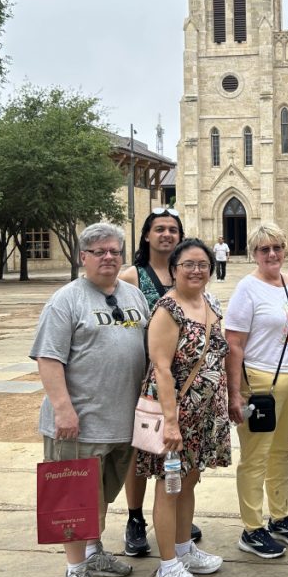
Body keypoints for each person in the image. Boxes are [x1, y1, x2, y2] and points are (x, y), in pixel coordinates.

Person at [31, 223, 148, 577]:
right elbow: (49, 359)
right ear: (83, 257)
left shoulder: (134, 296)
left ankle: (94, 550)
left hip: (121, 423)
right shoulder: (66, 300)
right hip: (77, 425)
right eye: (99, 251)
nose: (108, 257)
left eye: (114, 250)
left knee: (100, 496)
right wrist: (63, 409)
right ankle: (75, 573)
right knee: (72, 501)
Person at [136, 238, 231, 577]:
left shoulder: (209, 303)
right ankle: (167, 570)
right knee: (167, 484)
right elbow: (160, 368)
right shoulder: (167, 308)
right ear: (174, 270)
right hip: (175, 414)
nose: (196, 270)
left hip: (204, 414)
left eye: (202, 264)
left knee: (188, 481)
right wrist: (171, 422)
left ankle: (183, 548)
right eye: (188, 264)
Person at [225, 223, 288, 558]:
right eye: (264, 249)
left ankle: (279, 517)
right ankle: (252, 528)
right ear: (254, 253)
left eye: (277, 247)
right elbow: (234, 345)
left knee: (281, 451)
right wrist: (235, 393)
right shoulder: (246, 289)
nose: (272, 254)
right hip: (260, 383)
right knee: (255, 456)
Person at [120, 208, 205, 556]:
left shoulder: (184, 272)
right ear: (146, 236)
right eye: (159, 229)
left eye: (173, 229)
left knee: (177, 454)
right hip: (143, 375)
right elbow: (117, 319)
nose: (167, 235)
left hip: (181, 383)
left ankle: (175, 517)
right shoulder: (132, 277)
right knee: (141, 449)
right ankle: (136, 517)